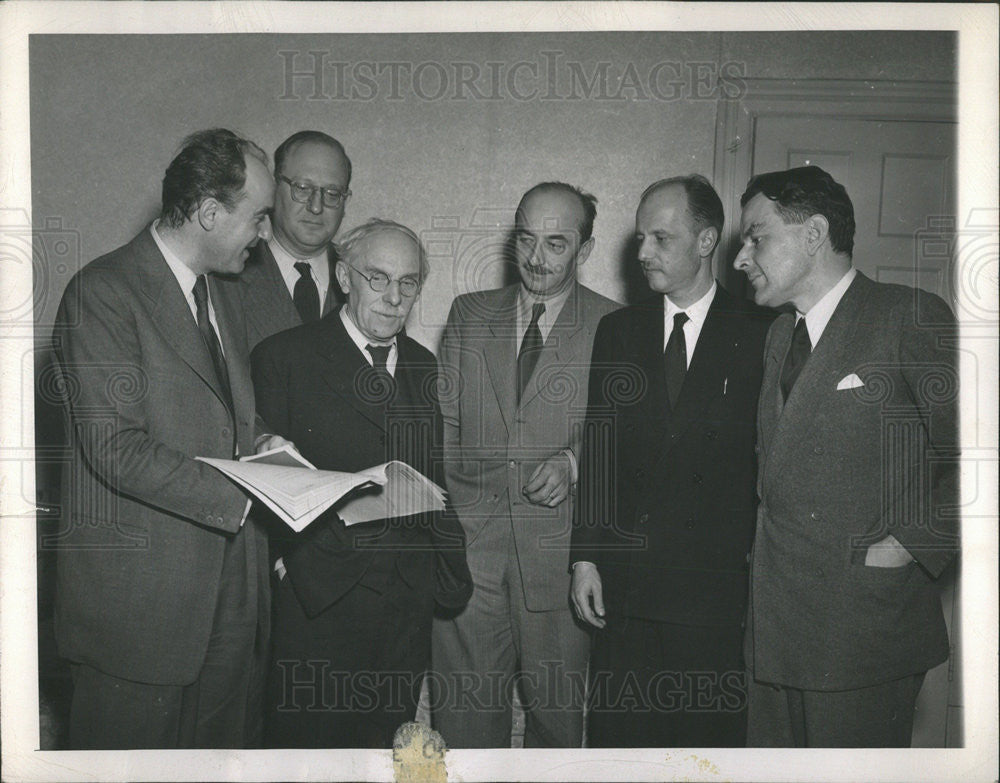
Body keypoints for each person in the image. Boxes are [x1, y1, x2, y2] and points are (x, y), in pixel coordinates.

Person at [51, 128, 288, 748]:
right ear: (210, 213)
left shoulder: (222, 295)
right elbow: (116, 450)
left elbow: (229, 418)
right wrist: (246, 491)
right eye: (259, 218)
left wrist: (266, 448)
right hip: (141, 614)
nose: (266, 235)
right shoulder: (102, 293)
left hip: (231, 600)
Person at [733, 165, 959, 747]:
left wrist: (909, 544)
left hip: (863, 631)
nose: (741, 258)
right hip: (774, 634)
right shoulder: (780, 335)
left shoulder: (909, 316)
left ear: (812, 234)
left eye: (757, 237)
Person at [251, 218, 473, 748]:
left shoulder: (423, 364)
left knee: (383, 756)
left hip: (406, 604)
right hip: (320, 600)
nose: (395, 298)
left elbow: (431, 474)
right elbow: (261, 473)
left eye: (409, 283)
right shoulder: (284, 356)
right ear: (345, 277)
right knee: (309, 758)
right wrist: (292, 566)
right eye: (378, 278)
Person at [569, 174, 773, 747]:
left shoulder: (762, 331)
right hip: (626, 592)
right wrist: (584, 560)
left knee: (702, 750)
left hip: (713, 596)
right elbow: (600, 449)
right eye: (640, 238)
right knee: (620, 747)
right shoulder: (618, 332)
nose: (642, 253)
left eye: (661, 238)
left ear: (707, 241)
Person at [432, 182, 619, 747]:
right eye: (526, 240)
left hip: (560, 566)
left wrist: (574, 462)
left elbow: (624, 435)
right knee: (461, 729)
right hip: (470, 559)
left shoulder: (616, 325)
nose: (537, 259)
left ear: (585, 250)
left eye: (557, 244)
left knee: (557, 731)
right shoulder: (468, 314)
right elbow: (440, 428)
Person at [237, 130, 351, 349]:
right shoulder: (228, 276)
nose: (316, 206)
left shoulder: (368, 281)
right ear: (274, 187)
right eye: (302, 188)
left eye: (332, 193)